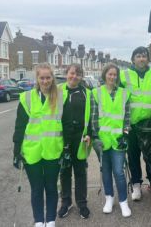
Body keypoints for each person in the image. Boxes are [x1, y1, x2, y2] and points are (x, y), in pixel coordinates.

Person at [12, 63, 64, 227]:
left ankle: (50, 220)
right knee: (36, 188)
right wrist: (16, 151)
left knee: (51, 187)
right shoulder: (26, 97)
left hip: (53, 150)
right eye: (42, 77)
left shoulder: (61, 97)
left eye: (48, 77)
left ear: (52, 78)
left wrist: (67, 149)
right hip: (31, 151)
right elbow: (19, 126)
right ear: (37, 78)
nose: (45, 80)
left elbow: (67, 124)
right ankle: (39, 220)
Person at [119, 46, 151, 201]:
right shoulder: (123, 75)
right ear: (133, 59)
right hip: (131, 124)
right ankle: (136, 185)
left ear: (148, 59)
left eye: (144, 56)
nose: (141, 59)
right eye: (138, 56)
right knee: (133, 156)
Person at [91, 63, 132, 217]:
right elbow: (93, 118)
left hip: (118, 140)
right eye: (110, 74)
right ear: (104, 75)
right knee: (106, 171)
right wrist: (95, 137)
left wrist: (126, 135)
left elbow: (127, 119)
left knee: (118, 172)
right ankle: (109, 198)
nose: (112, 77)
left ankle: (123, 202)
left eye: (115, 75)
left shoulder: (124, 94)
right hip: (102, 140)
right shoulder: (96, 93)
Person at [58, 63, 91, 219]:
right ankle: (66, 202)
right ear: (66, 73)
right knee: (64, 171)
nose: (74, 76)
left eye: (78, 74)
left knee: (80, 172)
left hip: (80, 138)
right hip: (62, 137)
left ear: (81, 76)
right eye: (72, 73)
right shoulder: (57, 91)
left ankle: (82, 203)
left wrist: (89, 133)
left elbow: (91, 116)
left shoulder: (87, 93)